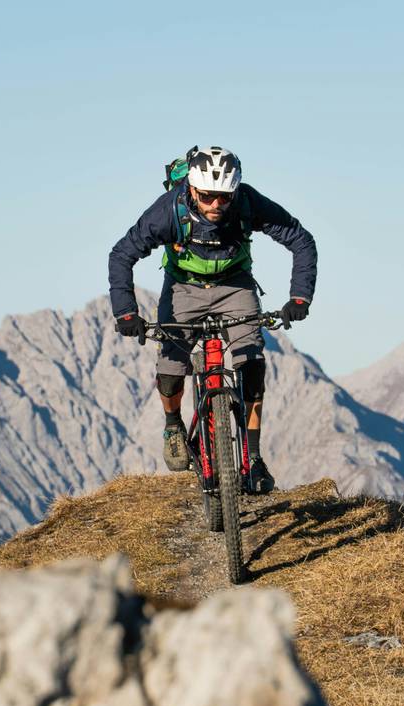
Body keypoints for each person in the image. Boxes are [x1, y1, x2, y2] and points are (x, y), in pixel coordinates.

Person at [107, 146, 318, 493]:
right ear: (191, 188)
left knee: (251, 361)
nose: (216, 205)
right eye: (207, 196)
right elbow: (122, 254)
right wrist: (126, 312)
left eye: (224, 197)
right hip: (183, 288)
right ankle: (173, 425)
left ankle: (252, 458)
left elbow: (300, 239)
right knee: (171, 368)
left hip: (235, 285)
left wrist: (299, 297)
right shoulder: (168, 211)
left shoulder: (248, 203)